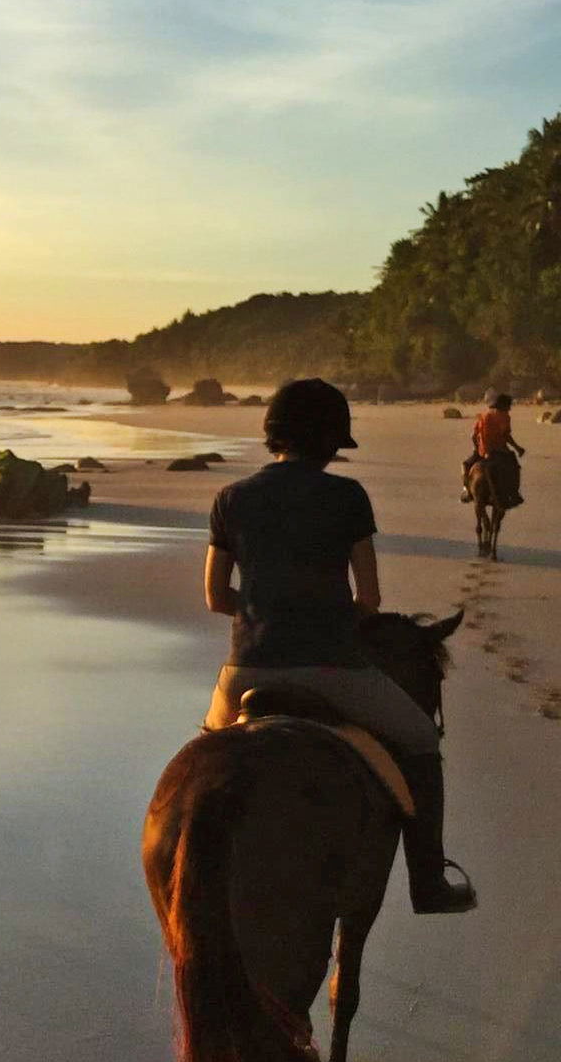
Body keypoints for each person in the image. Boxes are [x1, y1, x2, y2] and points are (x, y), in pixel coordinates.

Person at [203, 378, 476, 914]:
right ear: (330, 442)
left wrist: (265, 612)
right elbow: (369, 598)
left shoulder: (230, 498)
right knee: (421, 741)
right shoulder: (347, 496)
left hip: (246, 672)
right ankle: (429, 883)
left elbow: (215, 598)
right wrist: (324, 617)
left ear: (273, 434)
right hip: (334, 671)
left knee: (203, 761)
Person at [461, 390, 524, 507]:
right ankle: (515, 493)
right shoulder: (505, 417)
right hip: (500, 452)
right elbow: (506, 436)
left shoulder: (482, 416)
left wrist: (477, 449)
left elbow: (473, 436)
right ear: (503, 405)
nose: (509, 409)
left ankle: (467, 491)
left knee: (465, 465)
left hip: (483, 452)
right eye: (508, 406)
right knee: (515, 466)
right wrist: (517, 448)